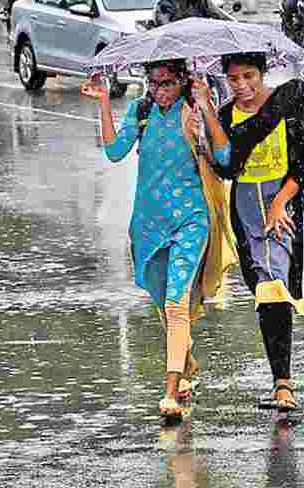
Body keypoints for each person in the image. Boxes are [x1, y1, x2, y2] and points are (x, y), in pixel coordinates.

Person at [82, 60, 237, 419]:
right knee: (161, 298)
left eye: (167, 83)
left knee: (175, 303)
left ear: (183, 81)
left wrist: (206, 118)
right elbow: (114, 151)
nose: (159, 90)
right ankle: (184, 364)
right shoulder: (141, 110)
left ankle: (171, 392)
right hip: (149, 223)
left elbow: (225, 157)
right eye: (153, 83)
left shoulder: (194, 110)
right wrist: (104, 101)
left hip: (191, 220)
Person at [193, 52, 304, 414]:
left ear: (263, 73)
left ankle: (283, 384)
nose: (242, 86)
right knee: (263, 290)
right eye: (234, 79)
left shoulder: (290, 102)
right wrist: (207, 112)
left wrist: (279, 204)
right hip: (244, 213)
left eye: (249, 76)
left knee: (272, 286)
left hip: (286, 207)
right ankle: (281, 380)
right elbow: (226, 167)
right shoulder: (226, 115)